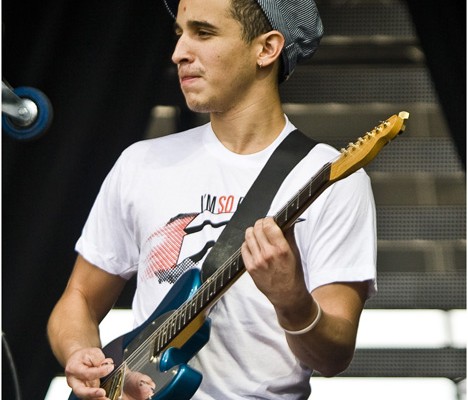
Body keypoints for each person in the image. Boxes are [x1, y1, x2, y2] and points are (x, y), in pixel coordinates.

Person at [47, 0, 377, 399]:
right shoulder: (141, 163)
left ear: (267, 49)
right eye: (179, 33)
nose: (179, 52)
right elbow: (78, 297)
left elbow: (333, 358)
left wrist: (291, 300)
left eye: (203, 33)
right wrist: (82, 353)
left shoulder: (332, 179)